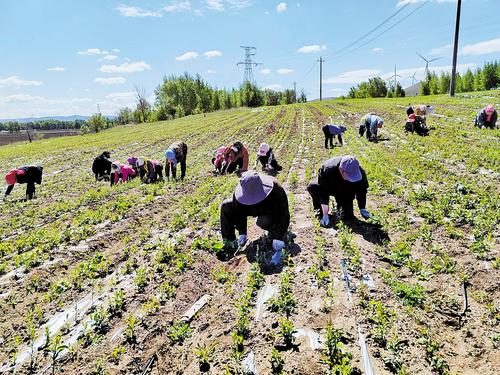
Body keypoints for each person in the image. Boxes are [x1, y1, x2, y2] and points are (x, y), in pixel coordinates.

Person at [220, 171, 290, 265]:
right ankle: (230, 242)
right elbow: (239, 213)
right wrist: (242, 232)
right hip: (249, 209)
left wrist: (278, 237)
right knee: (226, 206)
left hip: (267, 210)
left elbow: (283, 215)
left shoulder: (276, 189)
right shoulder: (239, 195)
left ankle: (273, 231)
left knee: (263, 222)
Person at [307, 155, 370, 226]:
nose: (350, 178)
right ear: (341, 169)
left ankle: (342, 207)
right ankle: (320, 212)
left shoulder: (359, 172)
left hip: (345, 191)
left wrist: (362, 208)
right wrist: (325, 215)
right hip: (329, 187)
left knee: (347, 216)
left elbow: (362, 190)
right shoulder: (327, 169)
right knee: (313, 186)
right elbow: (323, 192)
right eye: (349, 176)